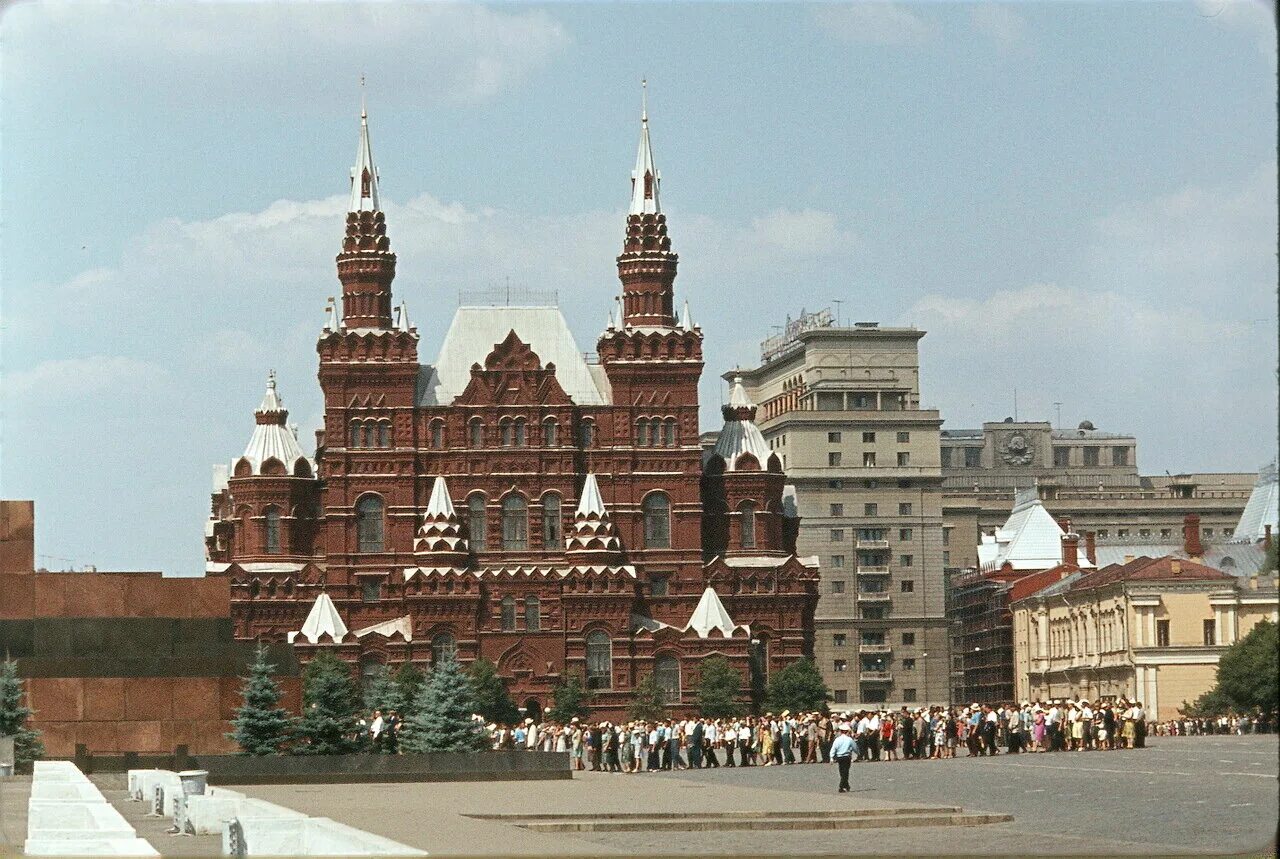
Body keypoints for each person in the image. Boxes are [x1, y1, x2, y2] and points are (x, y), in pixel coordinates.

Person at [832, 723, 855, 792]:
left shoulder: (837, 739)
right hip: (847, 757)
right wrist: (858, 753)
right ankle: (841, 786)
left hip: (839, 757)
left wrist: (831, 757)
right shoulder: (849, 739)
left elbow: (833, 748)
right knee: (846, 772)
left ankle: (846, 785)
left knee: (842, 771)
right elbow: (855, 747)